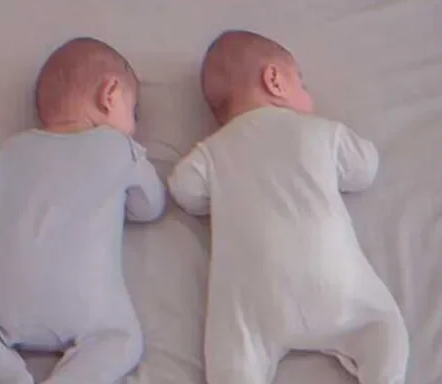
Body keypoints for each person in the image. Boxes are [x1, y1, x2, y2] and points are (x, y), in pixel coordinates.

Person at [169, 30, 409, 384]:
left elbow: (182, 188)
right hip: (334, 288)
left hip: (255, 306)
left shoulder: (213, 151)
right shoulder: (320, 132)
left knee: (235, 356)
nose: (307, 92)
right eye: (302, 81)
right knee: (383, 328)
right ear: (274, 81)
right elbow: (365, 168)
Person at [0, 37, 166, 384]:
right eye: (132, 111)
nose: (134, 125)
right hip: (85, 306)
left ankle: (8, 377)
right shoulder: (120, 148)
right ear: (110, 95)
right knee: (122, 342)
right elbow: (151, 206)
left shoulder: (11, 149)